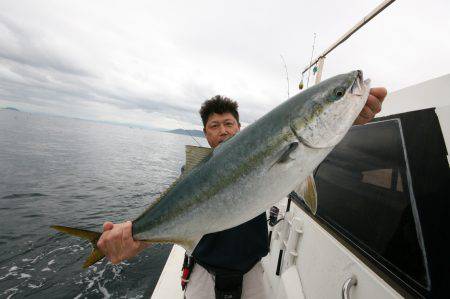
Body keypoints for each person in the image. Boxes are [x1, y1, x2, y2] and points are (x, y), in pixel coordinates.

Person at [97, 88, 387, 298]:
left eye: (228, 124)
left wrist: (346, 117)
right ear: (205, 134)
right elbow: (177, 217)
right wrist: (134, 234)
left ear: (239, 128)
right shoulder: (193, 173)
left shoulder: (270, 153)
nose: (222, 130)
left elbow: (308, 155)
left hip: (252, 275)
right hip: (203, 277)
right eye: (214, 125)